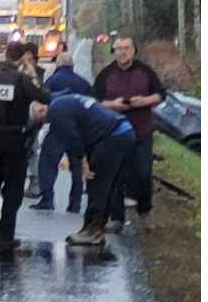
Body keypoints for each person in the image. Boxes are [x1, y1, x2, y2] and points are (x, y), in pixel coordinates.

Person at [34, 89, 146, 251]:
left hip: (112, 136)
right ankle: (94, 227)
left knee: (97, 183)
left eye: (40, 120)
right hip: (122, 131)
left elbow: (73, 140)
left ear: (41, 109)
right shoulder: (65, 101)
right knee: (107, 184)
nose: (43, 123)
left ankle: (93, 232)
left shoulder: (57, 112)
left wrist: (84, 165)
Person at [0, 36, 48, 253]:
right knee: (13, 192)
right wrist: (33, 77)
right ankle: (5, 238)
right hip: (15, 142)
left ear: (5, 55)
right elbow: (45, 97)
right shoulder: (21, 80)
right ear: (22, 58)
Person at [88, 36, 165, 230]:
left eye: (126, 48)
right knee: (115, 177)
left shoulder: (145, 71)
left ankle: (145, 211)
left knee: (143, 174)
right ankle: (116, 219)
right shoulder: (106, 74)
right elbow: (94, 101)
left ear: (133, 50)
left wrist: (145, 101)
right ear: (114, 51)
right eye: (119, 49)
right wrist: (112, 105)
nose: (122, 52)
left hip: (141, 132)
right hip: (114, 133)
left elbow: (161, 94)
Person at [29, 39, 92, 211]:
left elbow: (43, 103)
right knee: (76, 167)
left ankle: (47, 199)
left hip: (58, 130)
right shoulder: (84, 83)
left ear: (57, 64)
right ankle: (75, 203)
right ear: (72, 66)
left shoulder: (52, 81)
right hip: (78, 131)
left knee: (47, 163)